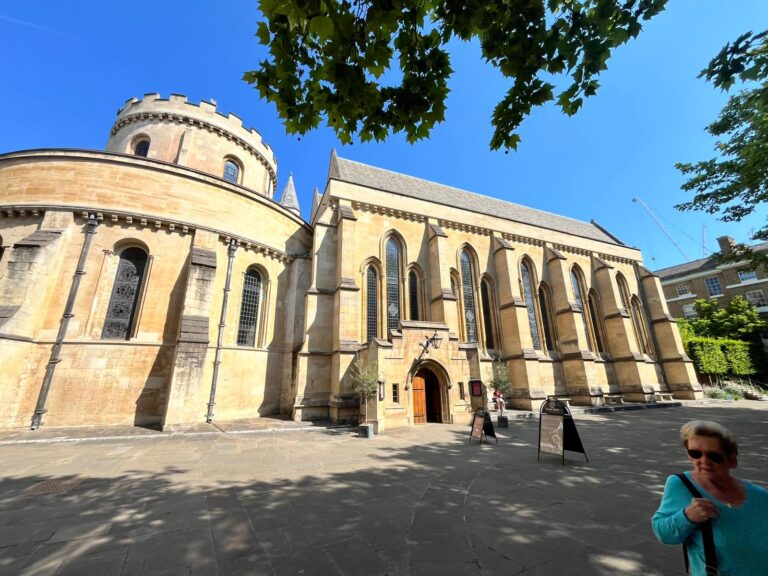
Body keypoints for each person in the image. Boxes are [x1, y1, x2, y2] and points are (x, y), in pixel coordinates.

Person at [651, 420, 768, 575]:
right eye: (695, 453)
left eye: (714, 456)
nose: (704, 461)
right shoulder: (681, 485)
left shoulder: (760, 496)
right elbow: (663, 533)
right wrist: (687, 517)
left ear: (732, 460)